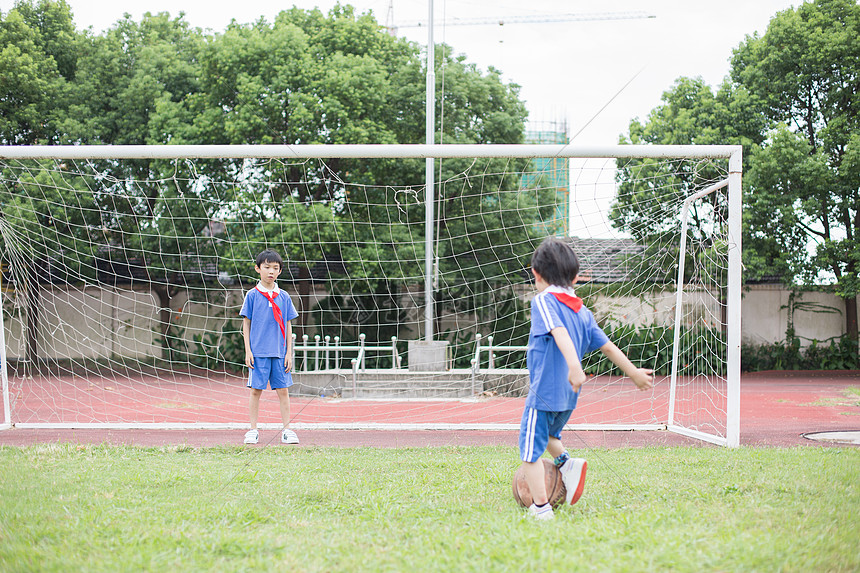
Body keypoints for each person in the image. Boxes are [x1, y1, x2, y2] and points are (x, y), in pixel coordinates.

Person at [519, 237, 653, 520]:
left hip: (544, 391)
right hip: (569, 396)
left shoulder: (544, 300)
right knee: (550, 435)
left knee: (529, 451)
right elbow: (607, 346)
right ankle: (568, 465)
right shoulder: (582, 311)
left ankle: (541, 509)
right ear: (577, 277)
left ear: (536, 273)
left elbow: (559, 332)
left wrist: (574, 366)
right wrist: (634, 373)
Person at [240, 249, 300, 445]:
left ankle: (287, 430)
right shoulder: (252, 295)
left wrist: (288, 353)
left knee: (283, 390)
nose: (271, 271)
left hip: (279, 353)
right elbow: (246, 323)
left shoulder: (283, 297)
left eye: (275, 268)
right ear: (258, 269)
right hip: (258, 353)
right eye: (266, 267)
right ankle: (253, 430)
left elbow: (289, 324)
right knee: (255, 391)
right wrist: (248, 350)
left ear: (280, 271)